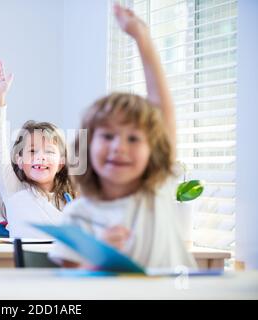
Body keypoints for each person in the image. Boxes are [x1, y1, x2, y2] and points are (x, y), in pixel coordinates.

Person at [49, 4, 196, 269]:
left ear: (154, 148)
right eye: (107, 136)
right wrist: (99, 259)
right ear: (86, 147)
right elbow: (69, 289)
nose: (119, 147)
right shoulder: (77, 217)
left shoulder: (155, 194)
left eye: (133, 139)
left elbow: (163, 111)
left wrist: (142, 39)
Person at [0, 60, 76, 238]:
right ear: (19, 161)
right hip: (26, 264)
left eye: (49, 152)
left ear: (60, 163)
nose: (40, 157)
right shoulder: (14, 190)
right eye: (32, 151)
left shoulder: (70, 202)